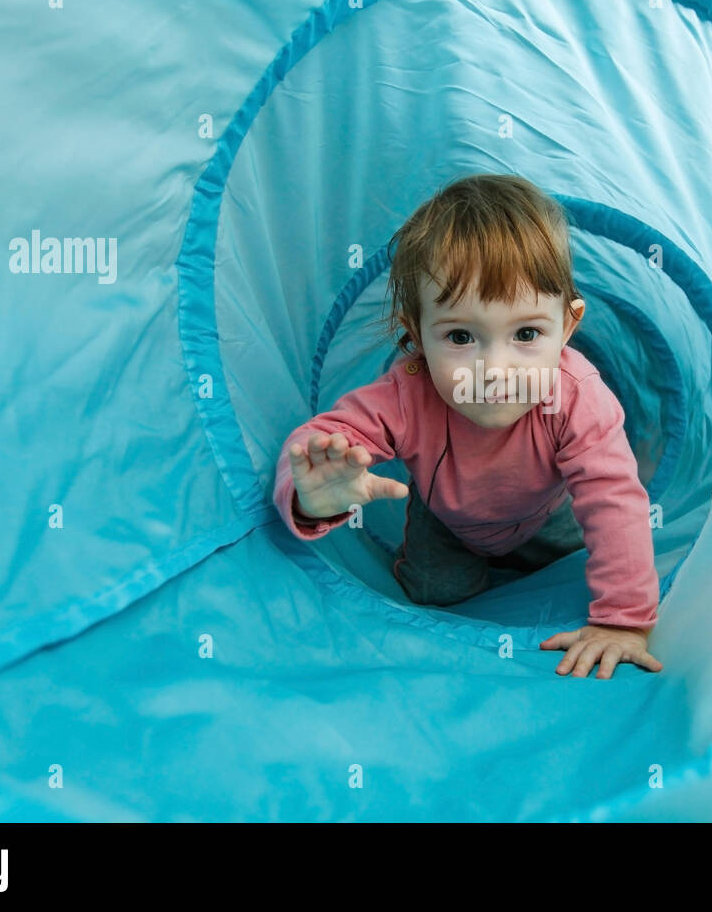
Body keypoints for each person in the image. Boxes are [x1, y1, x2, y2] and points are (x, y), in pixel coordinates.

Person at [275, 173, 662, 679]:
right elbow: (323, 438)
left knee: (569, 569)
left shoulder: (576, 396)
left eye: (526, 332)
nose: (494, 369)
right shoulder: (408, 392)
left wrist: (623, 622)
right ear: (416, 335)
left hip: (549, 513)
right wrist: (311, 497)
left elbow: (614, 498)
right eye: (460, 336)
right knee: (434, 600)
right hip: (447, 524)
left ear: (567, 326)